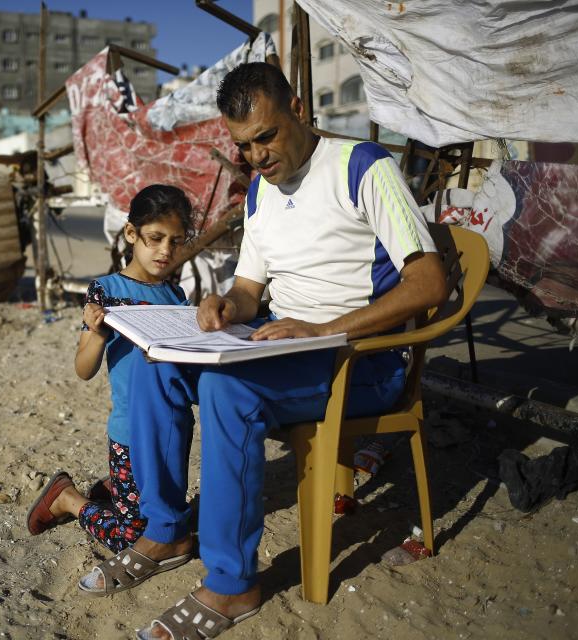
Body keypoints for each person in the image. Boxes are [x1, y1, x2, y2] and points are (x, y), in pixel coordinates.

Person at [82, 62, 448, 639]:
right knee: (154, 366)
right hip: (282, 345)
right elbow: (251, 292)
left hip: (361, 358)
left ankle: (233, 585)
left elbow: (429, 284)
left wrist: (324, 327)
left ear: (298, 110)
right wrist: (226, 306)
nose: (256, 156)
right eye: (244, 145)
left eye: (266, 136)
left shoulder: (363, 167)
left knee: (229, 390)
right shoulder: (259, 194)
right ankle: (168, 528)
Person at [25, 184, 194, 562]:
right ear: (132, 234)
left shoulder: (177, 296)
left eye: (175, 241)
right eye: (155, 238)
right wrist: (99, 335)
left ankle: (114, 489)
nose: (165, 250)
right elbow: (83, 369)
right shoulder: (106, 292)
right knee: (133, 541)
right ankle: (68, 498)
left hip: (174, 429)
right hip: (130, 434)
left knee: (167, 520)